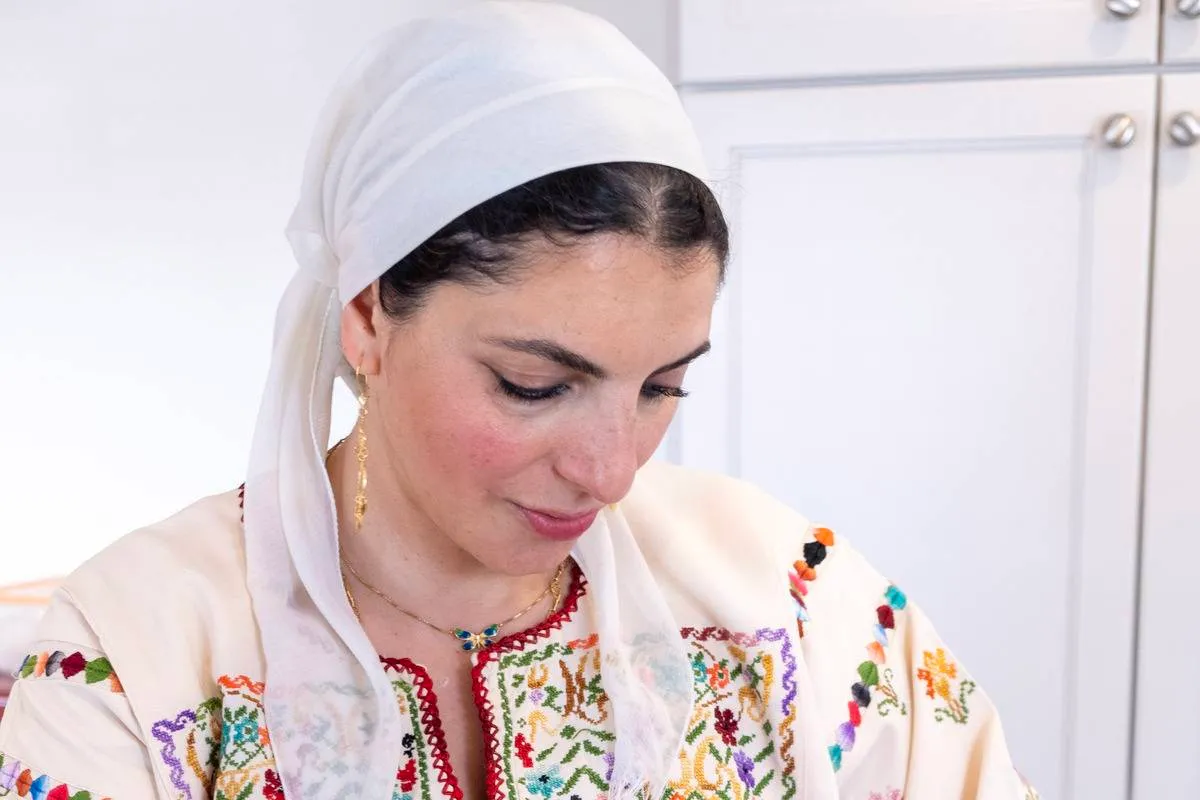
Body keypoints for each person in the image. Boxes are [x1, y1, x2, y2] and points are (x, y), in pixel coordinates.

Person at [0, 3, 1039, 799]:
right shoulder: (134, 655)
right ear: (367, 315)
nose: (612, 471)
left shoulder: (796, 601)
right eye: (535, 385)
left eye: (663, 386)